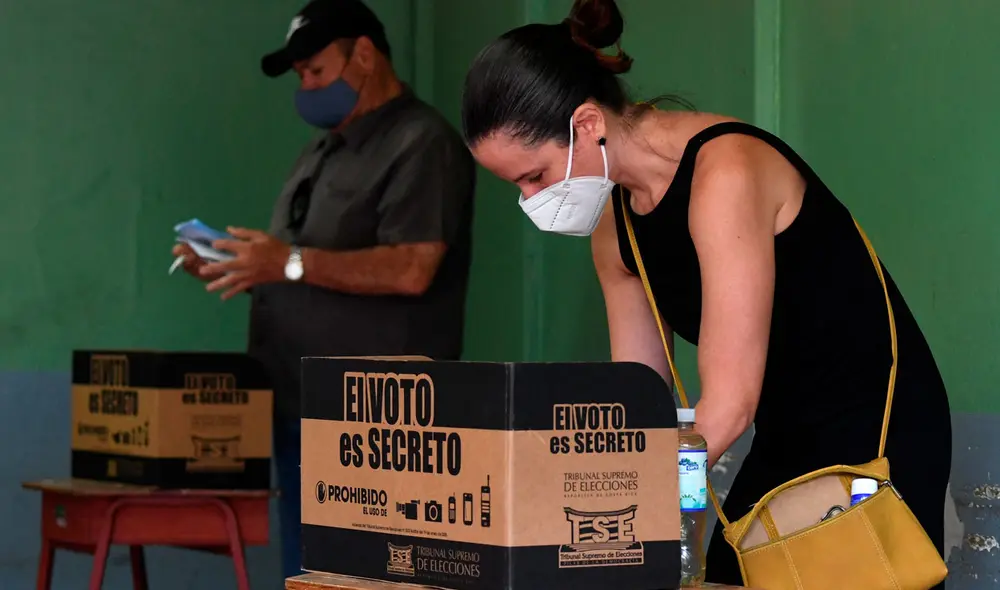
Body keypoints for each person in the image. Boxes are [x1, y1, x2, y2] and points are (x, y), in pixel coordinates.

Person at [459, 0, 951, 585]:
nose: (532, 200)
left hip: (875, 423)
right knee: (726, 572)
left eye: (534, 176)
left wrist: (612, 506)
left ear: (587, 124)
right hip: (782, 426)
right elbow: (635, 401)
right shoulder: (616, 228)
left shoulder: (726, 172)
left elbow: (729, 402)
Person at [172, 0, 476, 578]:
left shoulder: (420, 142)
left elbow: (412, 268)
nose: (307, 87)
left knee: (372, 576)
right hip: (299, 403)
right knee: (309, 574)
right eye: (300, 77)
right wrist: (236, 264)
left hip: (381, 422)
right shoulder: (322, 149)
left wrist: (283, 262)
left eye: (315, 70)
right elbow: (304, 265)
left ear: (364, 54)